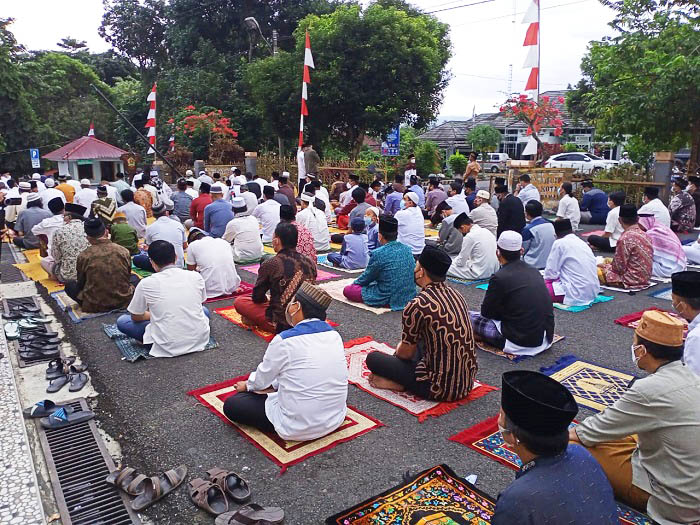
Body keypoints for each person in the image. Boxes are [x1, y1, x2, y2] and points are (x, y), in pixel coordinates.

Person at [570, 310, 700, 525]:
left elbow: (591, 431)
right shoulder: (692, 377)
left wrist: (558, 439)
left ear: (642, 350)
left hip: (673, 501)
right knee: (625, 433)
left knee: (578, 449)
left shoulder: (648, 389)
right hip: (689, 484)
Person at [225, 282, 348, 441]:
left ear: (296, 307)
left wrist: (248, 385)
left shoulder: (284, 340)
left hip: (297, 427)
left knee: (233, 404)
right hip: (334, 419)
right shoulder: (334, 335)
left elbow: (262, 379)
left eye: (292, 303)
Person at [492, 371, 617, 524]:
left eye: (501, 415)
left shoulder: (516, 500)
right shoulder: (581, 454)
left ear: (513, 437)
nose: (498, 419)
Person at [366, 245, 478, 400]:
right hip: (465, 384)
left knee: (373, 359)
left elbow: (404, 354)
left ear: (421, 271)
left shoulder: (418, 304)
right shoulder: (457, 295)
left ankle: (402, 384)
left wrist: (400, 348)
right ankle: (404, 379)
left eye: (416, 265)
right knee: (420, 341)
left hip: (437, 388)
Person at [117, 241, 211, 358]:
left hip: (165, 345)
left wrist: (157, 315)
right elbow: (199, 303)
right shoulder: (195, 276)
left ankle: (150, 337)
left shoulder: (146, 283)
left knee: (122, 321)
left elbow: (135, 317)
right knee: (204, 310)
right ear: (176, 257)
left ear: (152, 262)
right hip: (199, 340)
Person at [470, 231, 554, 356]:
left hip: (518, 341)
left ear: (498, 252)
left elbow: (487, 313)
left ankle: (478, 335)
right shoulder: (534, 271)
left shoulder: (499, 277)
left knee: (466, 317)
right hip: (544, 338)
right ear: (521, 251)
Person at [233, 222, 317, 333]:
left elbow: (257, 297)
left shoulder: (272, 263)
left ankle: (260, 321)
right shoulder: (310, 262)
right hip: (307, 317)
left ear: (276, 241)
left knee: (240, 301)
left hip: (282, 322)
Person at [343, 217, 416, 310]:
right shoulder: (407, 249)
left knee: (348, 290)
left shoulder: (379, 253)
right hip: (408, 295)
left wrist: (354, 284)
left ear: (380, 236)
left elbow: (367, 277)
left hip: (388, 297)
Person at [64, 217, 135, 313]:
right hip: (123, 301)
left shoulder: (84, 256)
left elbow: (81, 283)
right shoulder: (123, 251)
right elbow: (127, 275)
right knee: (135, 279)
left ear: (88, 238)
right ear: (106, 232)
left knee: (70, 285)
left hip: (95, 305)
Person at [543, 219, 600, 305]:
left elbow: (550, 273)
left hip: (575, 293)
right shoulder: (581, 242)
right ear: (572, 231)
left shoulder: (559, 243)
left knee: (537, 289)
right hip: (593, 291)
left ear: (555, 234)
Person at [598, 204, 653, 289]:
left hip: (630, 280)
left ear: (620, 220)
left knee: (596, 270)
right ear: (638, 219)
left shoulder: (625, 238)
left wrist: (606, 267)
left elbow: (618, 269)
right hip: (645, 278)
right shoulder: (645, 235)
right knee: (607, 261)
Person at [186, 227, 242, 299]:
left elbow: (191, 272)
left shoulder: (193, 245)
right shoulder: (223, 242)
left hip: (209, 290)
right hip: (232, 286)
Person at [134, 202, 187, 271]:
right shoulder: (178, 225)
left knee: (137, 259)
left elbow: (150, 249)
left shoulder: (150, 228)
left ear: (153, 215)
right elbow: (185, 246)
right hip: (179, 264)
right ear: (166, 213)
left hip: (160, 266)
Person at [447, 213, 499, 280]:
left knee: (445, 267)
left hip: (479, 273)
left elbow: (460, 262)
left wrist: (452, 262)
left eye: (461, 231)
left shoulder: (470, 236)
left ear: (463, 227)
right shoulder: (487, 231)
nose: (462, 233)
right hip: (493, 270)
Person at [47, 203, 90, 282]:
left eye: (64, 216)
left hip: (68, 276)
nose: (63, 218)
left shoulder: (59, 231)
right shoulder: (89, 229)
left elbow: (56, 257)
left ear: (69, 217)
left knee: (46, 262)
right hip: (88, 275)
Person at [671, 271, 700, 376]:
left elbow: (693, 380)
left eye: (673, 301)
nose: (673, 305)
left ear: (684, 307)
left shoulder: (696, 337)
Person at [223, 197, 264, 263]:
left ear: (233, 210)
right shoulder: (253, 219)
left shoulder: (233, 223)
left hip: (241, 257)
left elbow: (225, 240)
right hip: (259, 254)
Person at [521, 200, 555, 269]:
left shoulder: (528, 229)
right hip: (549, 262)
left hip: (532, 264)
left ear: (527, 213)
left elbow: (523, 250)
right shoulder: (550, 224)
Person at [32, 197, 66, 266]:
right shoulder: (72, 220)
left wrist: (44, 238)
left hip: (54, 259)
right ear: (64, 207)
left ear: (51, 210)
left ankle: (52, 275)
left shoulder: (47, 222)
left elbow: (34, 230)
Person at [395, 191, 425, 257]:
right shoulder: (418, 210)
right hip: (420, 249)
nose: (402, 201)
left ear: (410, 203)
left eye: (404, 199)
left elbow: (391, 228)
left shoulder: (401, 214)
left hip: (406, 251)